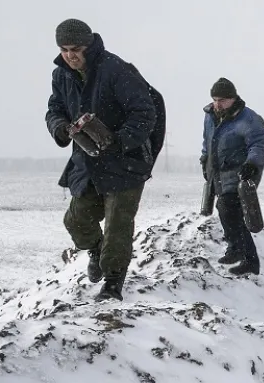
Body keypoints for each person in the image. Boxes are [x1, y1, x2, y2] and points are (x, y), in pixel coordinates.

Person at [46, 18, 157, 302]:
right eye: (64, 49)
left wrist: (119, 141)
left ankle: (112, 284)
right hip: (87, 161)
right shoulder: (61, 75)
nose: (70, 55)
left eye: (76, 48)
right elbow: (55, 108)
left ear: (89, 45)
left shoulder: (117, 70)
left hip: (126, 162)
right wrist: (59, 127)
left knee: (118, 227)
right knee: (76, 219)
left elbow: (145, 113)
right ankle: (95, 250)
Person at [201, 78, 264, 276]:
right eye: (214, 99)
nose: (217, 104)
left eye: (222, 100)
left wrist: (252, 164)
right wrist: (204, 158)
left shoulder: (248, 119)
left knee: (227, 207)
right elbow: (207, 140)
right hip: (219, 173)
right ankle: (243, 255)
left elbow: (259, 144)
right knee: (230, 212)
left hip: (242, 172)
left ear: (233, 98)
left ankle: (241, 252)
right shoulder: (210, 116)